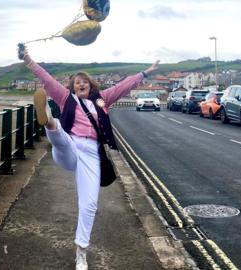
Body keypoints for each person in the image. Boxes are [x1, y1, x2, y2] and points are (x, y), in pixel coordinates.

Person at [21, 46, 159, 270]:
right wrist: (28, 60)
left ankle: (81, 253)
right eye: (77, 82)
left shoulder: (102, 100)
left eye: (84, 82)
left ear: (91, 85)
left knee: (90, 204)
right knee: (60, 139)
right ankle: (48, 120)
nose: (81, 84)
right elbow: (46, 79)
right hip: (71, 145)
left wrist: (145, 73)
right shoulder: (66, 98)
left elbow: (123, 87)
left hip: (92, 153)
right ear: (72, 87)